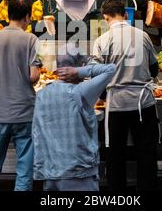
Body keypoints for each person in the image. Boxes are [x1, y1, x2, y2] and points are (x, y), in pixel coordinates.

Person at [92, 0, 160, 191]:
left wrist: (101, 97)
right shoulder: (143, 36)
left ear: (106, 18)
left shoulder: (102, 40)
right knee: (146, 154)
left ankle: (118, 196)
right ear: (126, 14)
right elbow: (154, 69)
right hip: (143, 104)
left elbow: (98, 77)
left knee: (115, 155)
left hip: (117, 105)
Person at [32, 43, 116, 191]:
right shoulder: (80, 92)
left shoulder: (41, 95)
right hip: (78, 174)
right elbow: (111, 69)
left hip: (50, 174)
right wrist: (80, 71)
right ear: (78, 67)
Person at [0, 0, 41, 191]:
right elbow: (33, 77)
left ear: (7, 15)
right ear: (27, 17)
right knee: (24, 168)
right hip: (24, 114)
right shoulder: (31, 39)